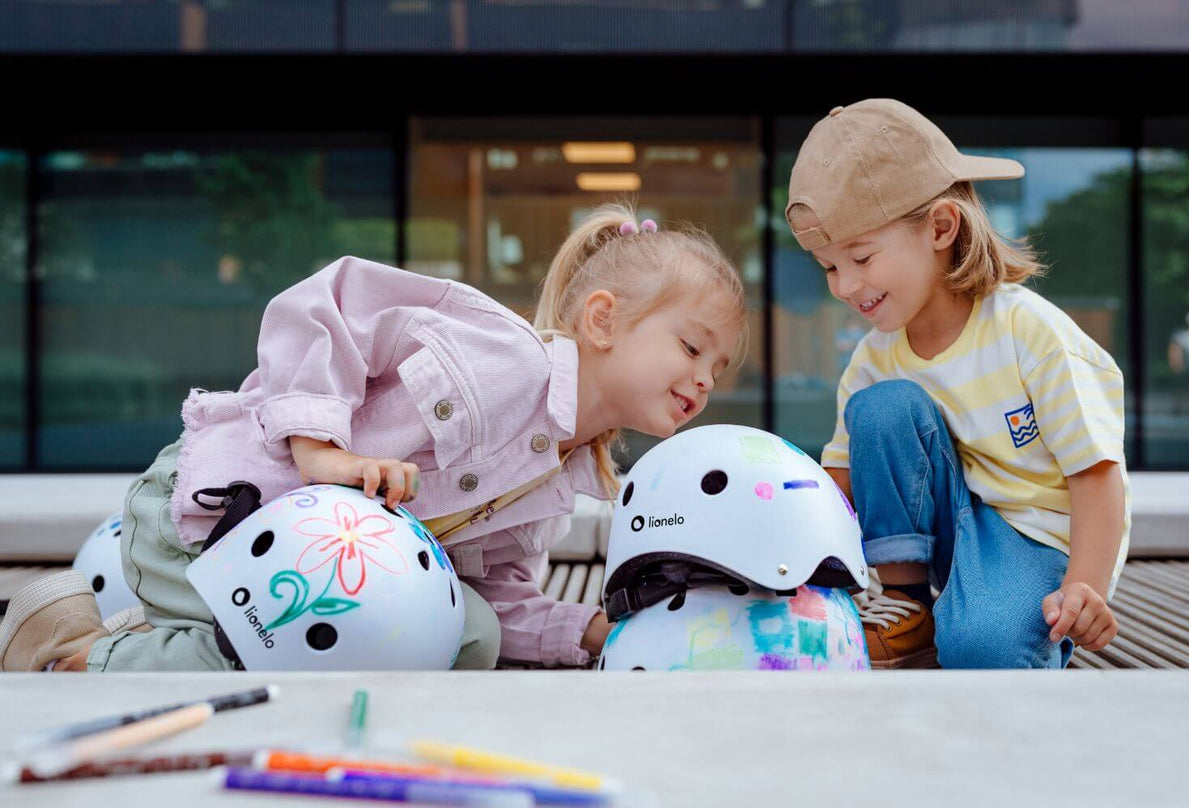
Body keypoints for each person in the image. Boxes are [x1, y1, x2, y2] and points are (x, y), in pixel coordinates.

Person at [0, 202, 748, 673]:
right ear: (603, 319)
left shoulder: (560, 481)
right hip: (206, 526)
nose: (704, 379)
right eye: (691, 347)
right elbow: (326, 303)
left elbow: (499, 601)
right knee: (282, 657)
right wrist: (320, 449)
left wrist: (592, 630)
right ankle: (76, 656)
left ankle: (153, 631)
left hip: (320, 585)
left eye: (718, 368)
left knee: (469, 635)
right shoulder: (503, 355)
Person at [785, 99, 1130, 669]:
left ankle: (1001, 623)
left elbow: (1096, 473)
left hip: (1036, 539)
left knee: (983, 651)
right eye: (829, 267)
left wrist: (1084, 588)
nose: (844, 286)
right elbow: (839, 485)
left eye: (861, 258)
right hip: (950, 527)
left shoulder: (1029, 331)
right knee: (882, 408)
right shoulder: (872, 361)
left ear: (941, 228)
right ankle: (910, 606)